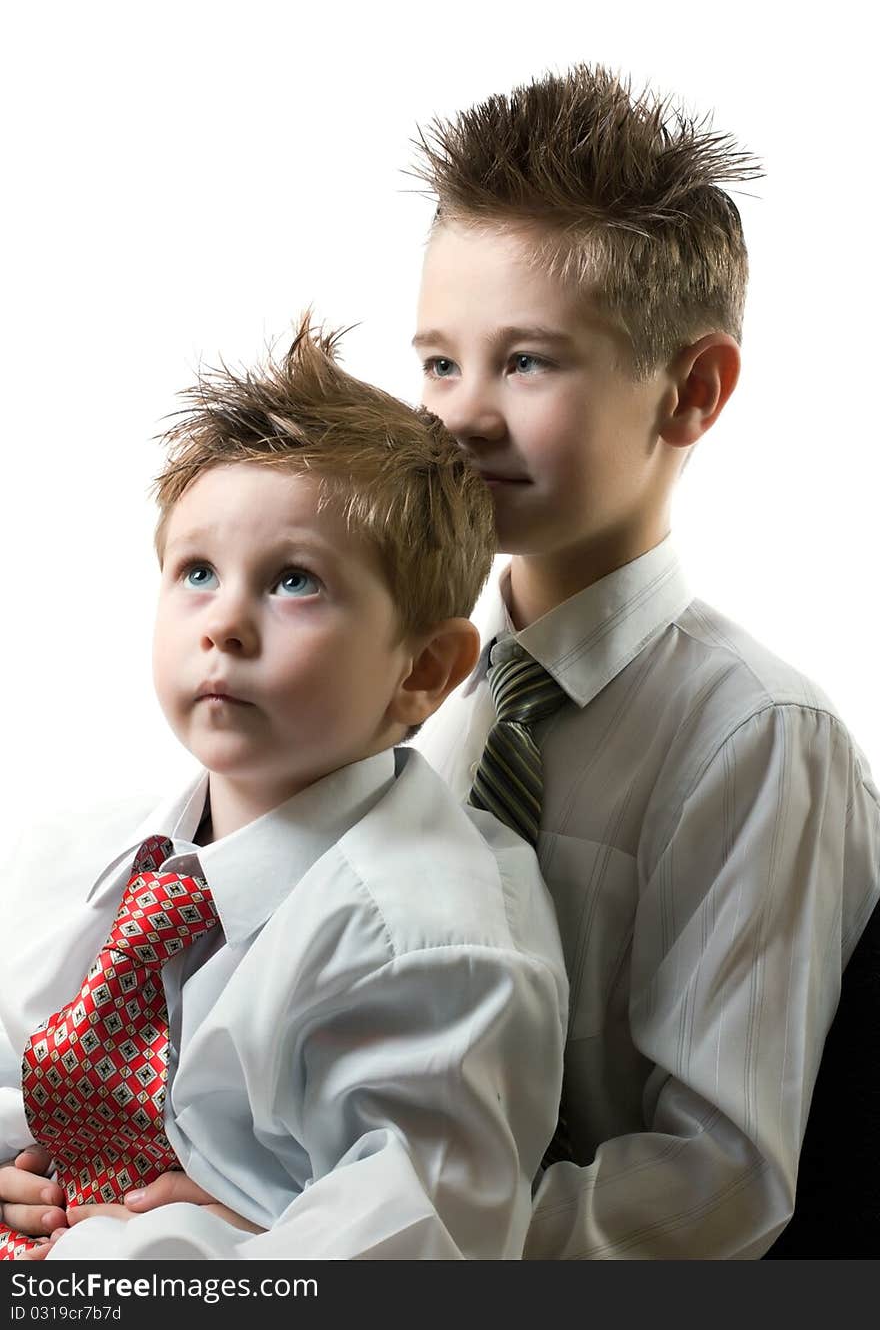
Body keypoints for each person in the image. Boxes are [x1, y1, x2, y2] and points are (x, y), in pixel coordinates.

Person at [406, 65, 880, 1258]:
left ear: (693, 390)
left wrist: (377, 1247)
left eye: (527, 363)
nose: (463, 415)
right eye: (438, 362)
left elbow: (717, 1187)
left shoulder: (758, 737)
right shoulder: (410, 695)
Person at [0, 318, 568, 1261]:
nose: (223, 620)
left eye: (294, 580)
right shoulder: (90, 858)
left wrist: (153, 1250)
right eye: (196, 572)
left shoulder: (432, 943)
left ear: (424, 669)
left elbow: (413, 1250)